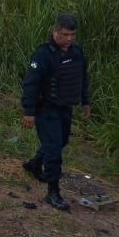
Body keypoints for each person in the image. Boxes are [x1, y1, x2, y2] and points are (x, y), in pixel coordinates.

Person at [20, 13, 91, 210]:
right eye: (66, 34)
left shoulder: (76, 52)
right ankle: (53, 193)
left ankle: (34, 163)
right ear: (55, 32)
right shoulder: (43, 54)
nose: (69, 39)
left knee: (62, 141)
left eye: (73, 35)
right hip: (46, 109)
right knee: (53, 150)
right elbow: (31, 83)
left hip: (65, 107)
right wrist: (29, 111)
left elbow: (82, 77)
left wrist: (86, 101)